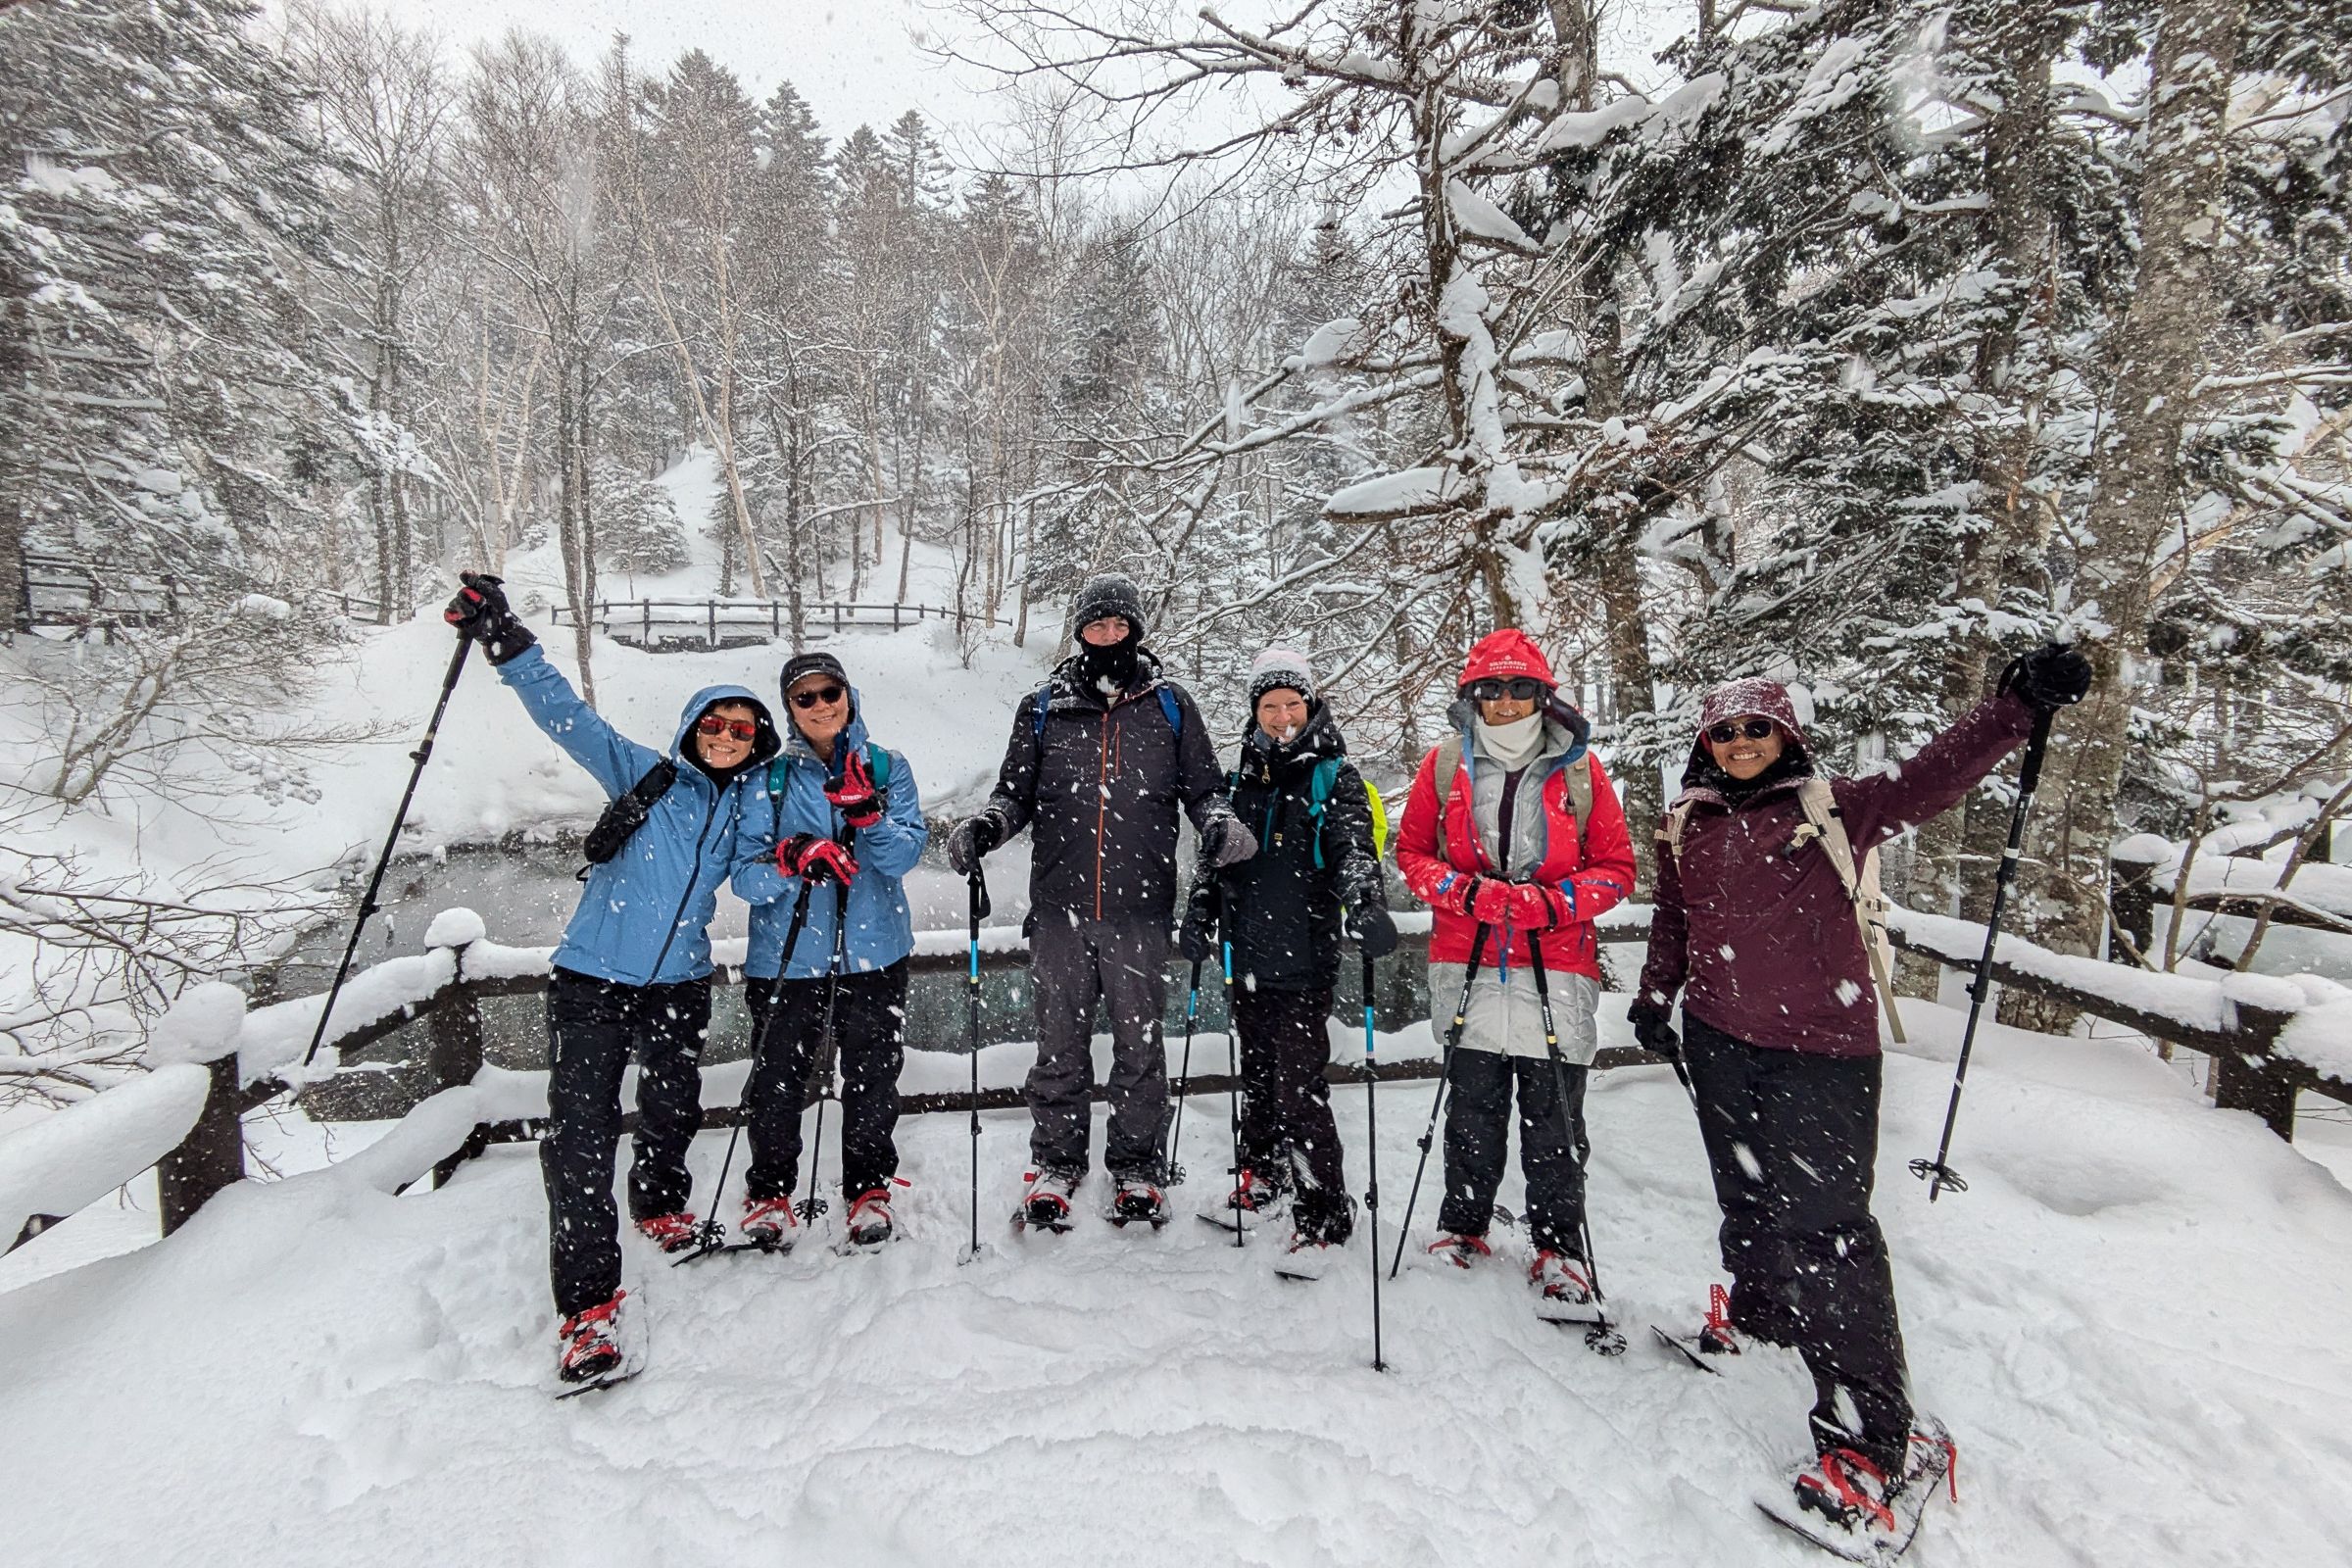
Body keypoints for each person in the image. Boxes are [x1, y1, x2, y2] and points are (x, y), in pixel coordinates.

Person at [1630, 644, 2090, 1544]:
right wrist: (1656, 997)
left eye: (1758, 727)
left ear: (1785, 733)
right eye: (1726, 731)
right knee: (1747, 1196)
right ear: (1706, 742)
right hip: (1721, 1040)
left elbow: (1930, 778)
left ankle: (1875, 1441)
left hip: (1821, 1051)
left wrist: (2009, 713)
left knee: (1829, 1232)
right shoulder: (1686, 821)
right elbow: (1674, 916)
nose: (1742, 742)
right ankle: (1761, 1316)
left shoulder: (1835, 805)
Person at [443, 574, 782, 1387]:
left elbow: (755, 887)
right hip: (593, 979)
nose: (729, 736)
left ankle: (661, 1204)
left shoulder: (743, 811)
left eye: (743, 728)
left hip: (680, 983)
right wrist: (508, 642)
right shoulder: (642, 773)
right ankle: (588, 1306)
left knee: (673, 1105)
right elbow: (566, 715)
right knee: (581, 1134)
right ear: (694, 728)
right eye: (717, 723)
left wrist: (794, 860)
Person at [947, 572, 1255, 1229]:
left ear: (1136, 632)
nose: (1107, 636)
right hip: (1058, 910)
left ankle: (1137, 1167)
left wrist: (1220, 823)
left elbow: (1203, 789)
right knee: (1057, 1047)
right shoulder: (1042, 708)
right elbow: (1014, 796)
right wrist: (984, 826)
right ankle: (1057, 1162)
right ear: (1079, 632)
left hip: (1140, 911)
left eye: (1119, 626)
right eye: (1096, 626)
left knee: (1140, 1049)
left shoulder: (1170, 706)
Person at [1392, 629, 1637, 1307]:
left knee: (1554, 1115)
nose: (1505, 701)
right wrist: (1464, 893)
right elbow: (1410, 853)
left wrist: (1550, 904)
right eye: (1491, 689)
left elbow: (1618, 871)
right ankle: (1463, 1226)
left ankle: (1559, 1246)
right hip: (1466, 959)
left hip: (1557, 967)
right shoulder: (1444, 766)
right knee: (1472, 1105)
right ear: (1472, 696)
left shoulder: (1581, 771)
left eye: (1520, 687)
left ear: (1542, 694)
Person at [1180, 647, 1395, 1262]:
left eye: (1291, 704)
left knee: (1300, 1085)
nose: (1280, 717)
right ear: (1255, 711)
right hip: (1245, 955)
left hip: (1304, 956)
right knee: (1260, 1075)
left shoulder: (1333, 774)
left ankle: (1324, 1206)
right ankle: (1263, 1170)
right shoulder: (1237, 778)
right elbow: (1214, 860)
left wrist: (1365, 902)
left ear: (1310, 704)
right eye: (1269, 706)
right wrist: (1200, 913)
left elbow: (1354, 846)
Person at [729, 652, 928, 1251]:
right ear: (790, 708)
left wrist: (868, 819)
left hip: (875, 955)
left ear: (849, 694)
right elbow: (744, 877)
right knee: (776, 1080)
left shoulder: (889, 768)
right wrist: (792, 858)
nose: (820, 706)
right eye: (805, 697)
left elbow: (901, 858)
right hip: (786, 959)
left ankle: (869, 1189)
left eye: (829, 692)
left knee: (872, 1078)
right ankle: (769, 1191)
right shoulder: (768, 778)